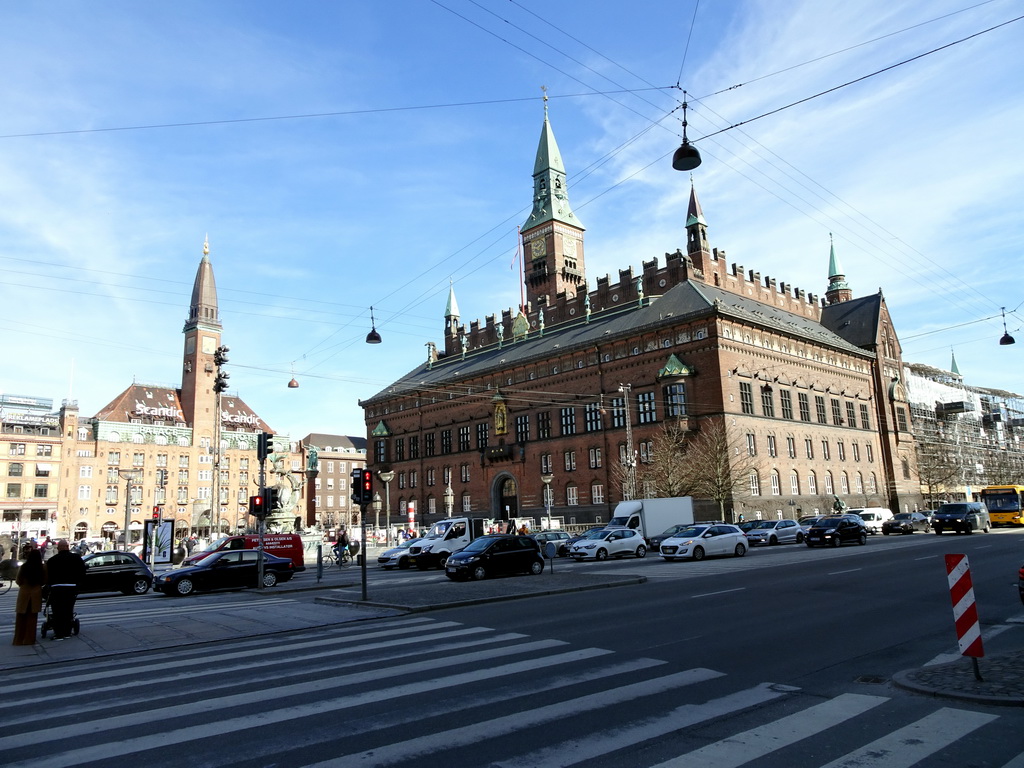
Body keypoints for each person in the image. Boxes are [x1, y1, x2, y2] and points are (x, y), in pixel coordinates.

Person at [44, 540, 86, 641]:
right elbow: (82, 572)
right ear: (67, 547)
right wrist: (78, 585)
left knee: (57, 611)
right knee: (68, 609)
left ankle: (59, 633)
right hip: (71, 587)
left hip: (56, 588)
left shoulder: (52, 560)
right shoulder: (76, 558)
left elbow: (47, 576)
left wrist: (48, 586)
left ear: (58, 548)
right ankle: (67, 632)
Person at [13, 547, 46, 646]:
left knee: (21, 617)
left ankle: (18, 639)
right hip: (36, 593)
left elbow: (18, 580)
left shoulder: (24, 566)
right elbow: (45, 580)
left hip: (24, 592)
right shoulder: (42, 567)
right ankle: (29, 639)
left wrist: (24, 585)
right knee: (32, 618)